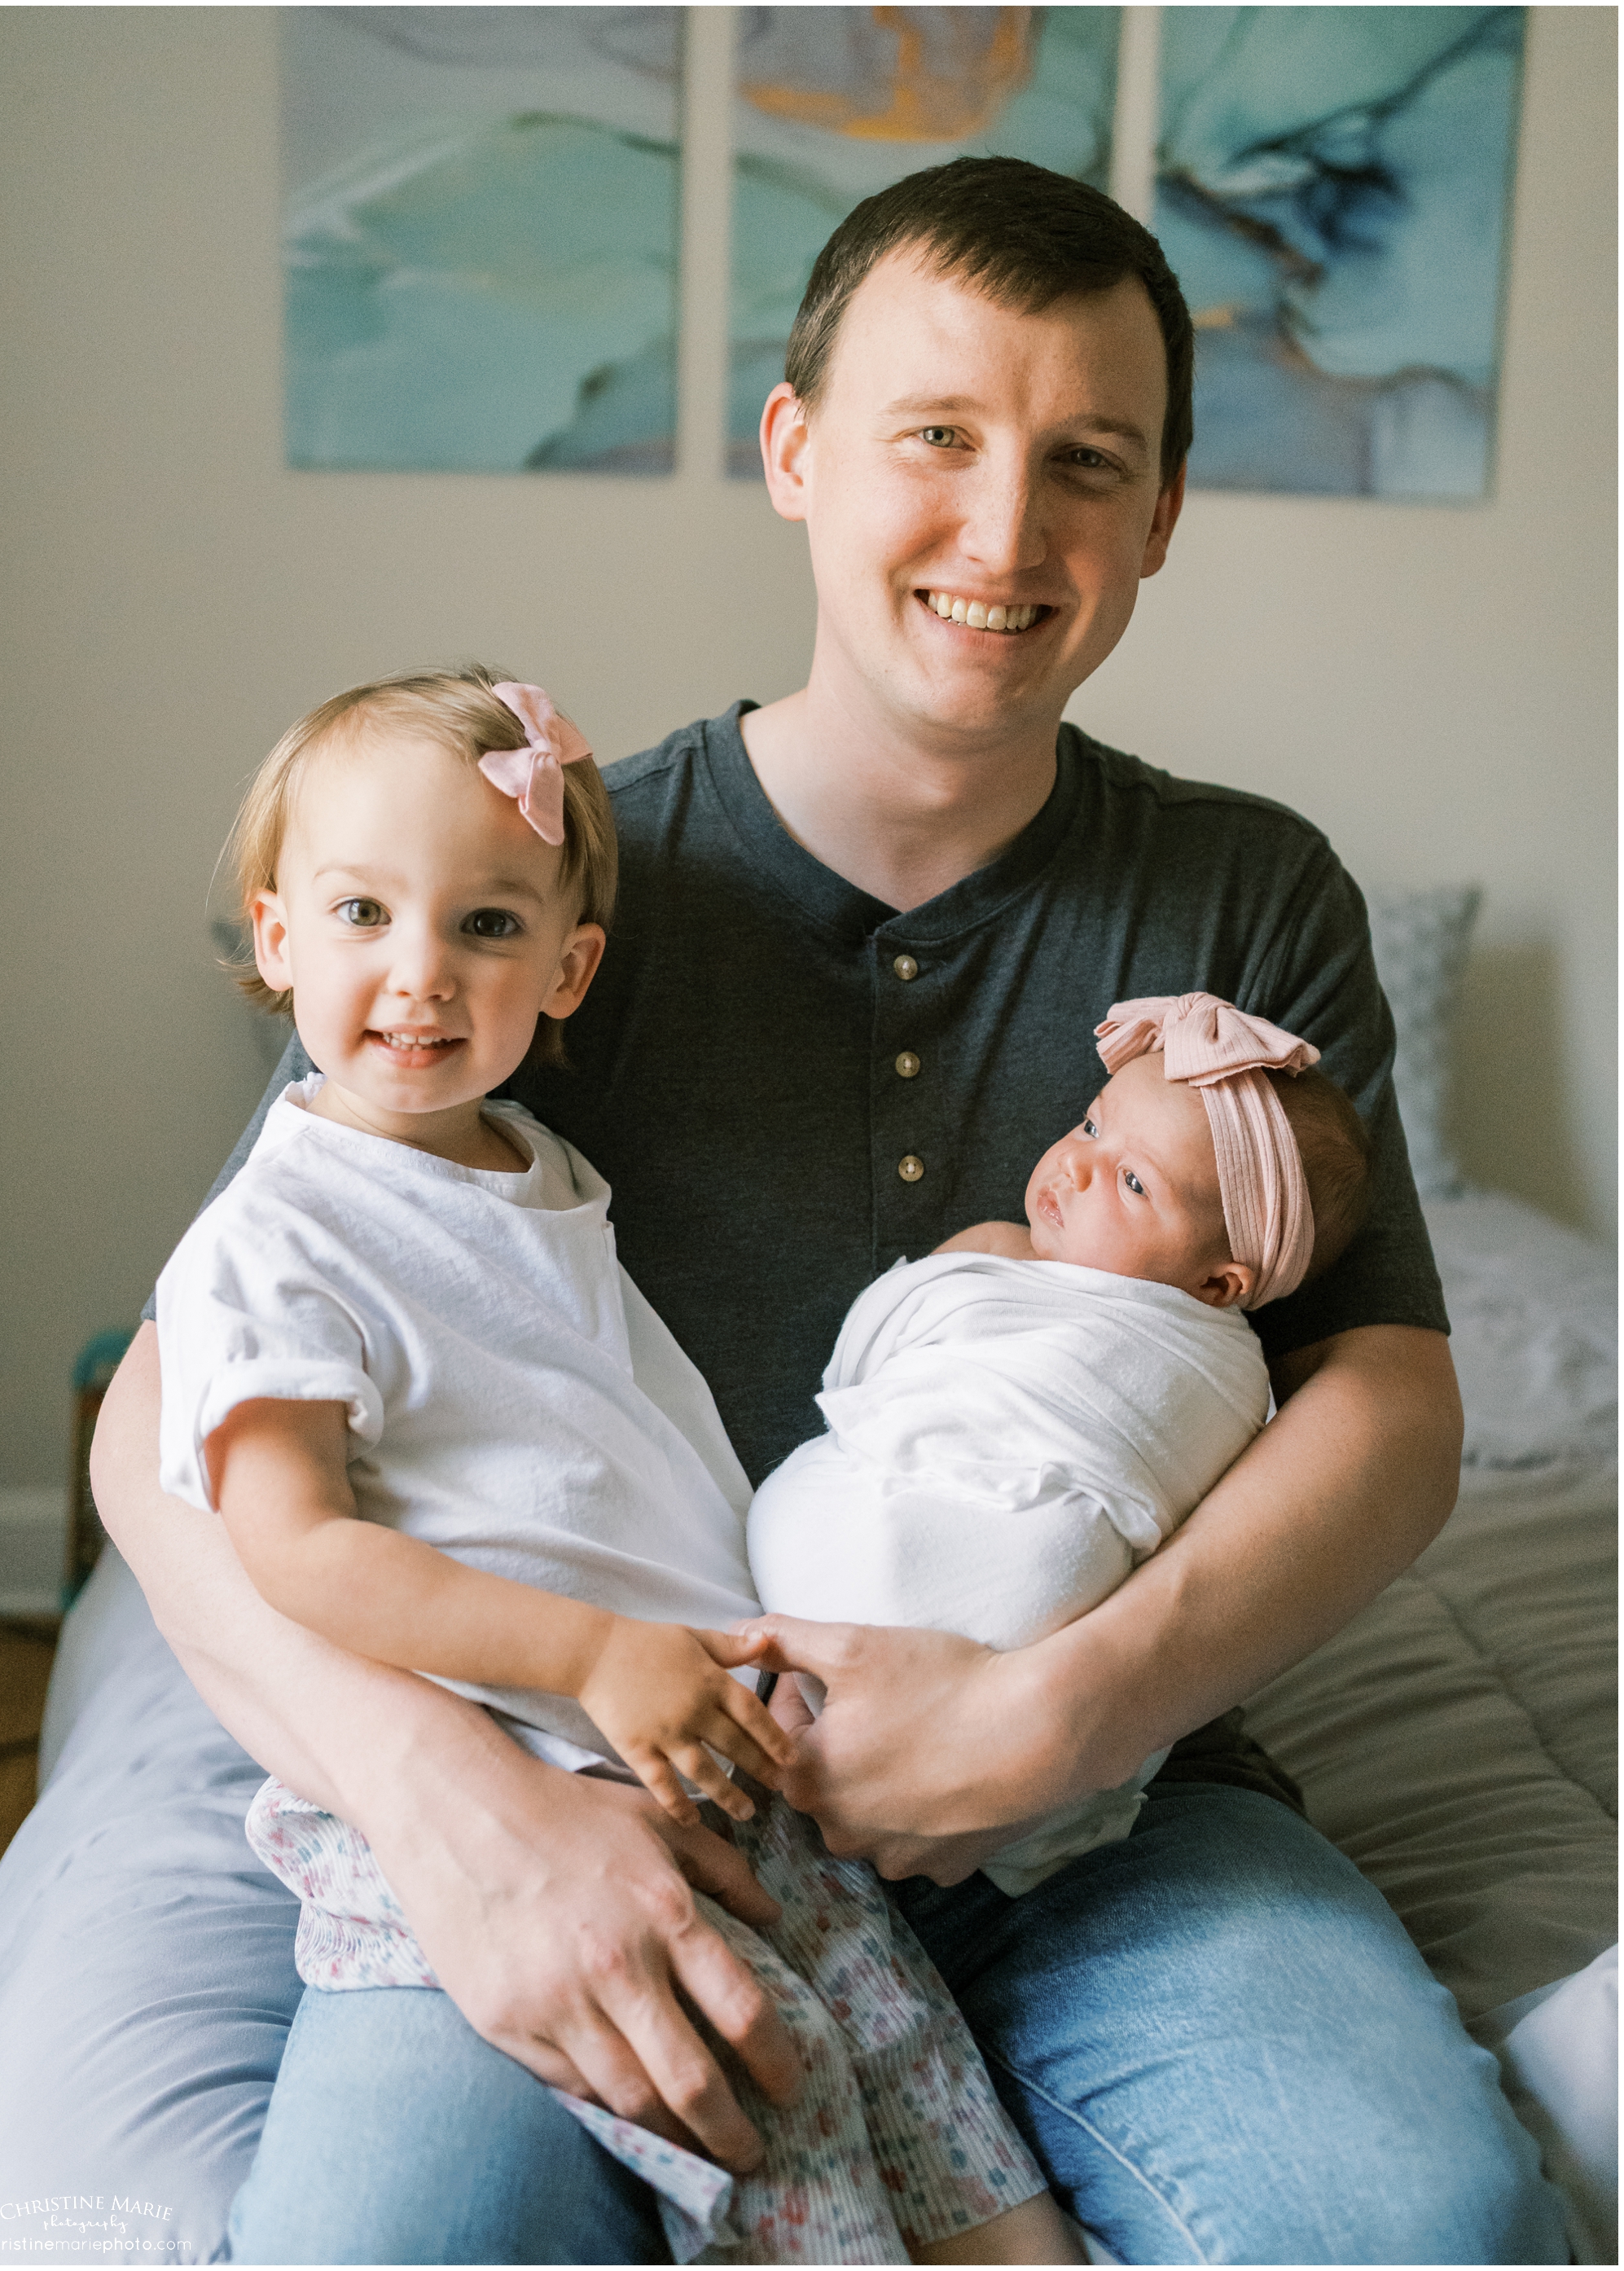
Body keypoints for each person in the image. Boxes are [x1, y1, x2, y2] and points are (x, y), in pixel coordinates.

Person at [70, 156, 1562, 2261]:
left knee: (1412, 2217)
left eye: (1087, 464)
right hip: (604, 1797)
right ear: (795, 453)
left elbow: (1392, 1401)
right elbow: (164, 1428)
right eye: (936, 437)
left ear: (1160, 520)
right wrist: (443, 1803)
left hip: (1107, 1811)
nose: (1005, 529)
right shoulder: (546, 894)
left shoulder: (1250, 897)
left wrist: (1065, 1705)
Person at [154, 661, 1069, 2266]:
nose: (421, 973)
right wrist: (593, 1651)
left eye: (486, 925)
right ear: (277, 934)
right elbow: (290, 1545)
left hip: (707, 1745)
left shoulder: (540, 1168)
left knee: (928, 2084)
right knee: (782, 2119)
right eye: (363, 912)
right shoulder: (275, 1235)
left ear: (569, 966)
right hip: (529, 1761)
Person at [748, 994, 1367, 1897]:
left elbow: (861, 1364)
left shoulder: (1214, 1373)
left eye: (1131, 1183)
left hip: (1055, 1685)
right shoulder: (1033, 1272)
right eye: (1089, 1123)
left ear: (1214, 1283)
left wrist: (964, 1269)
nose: (1076, 1165)